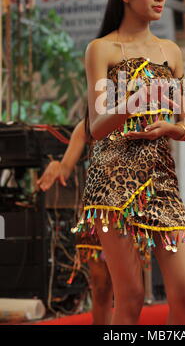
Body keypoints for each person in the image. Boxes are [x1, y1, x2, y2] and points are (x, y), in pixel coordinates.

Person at [71, 0, 185, 325]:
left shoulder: (171, 51)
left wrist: (172, 128)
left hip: (162, 180)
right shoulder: (101, 49)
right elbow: (96, 127)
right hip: (112, 181)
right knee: (131, 296)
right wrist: (137, 100)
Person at [36, 111, 113, 325]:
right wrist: (56, 166)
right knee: (100, 285)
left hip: (131, 212)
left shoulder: (138, 119)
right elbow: (66, 168)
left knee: (129, 287)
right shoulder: (88, 126)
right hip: (97, 211)